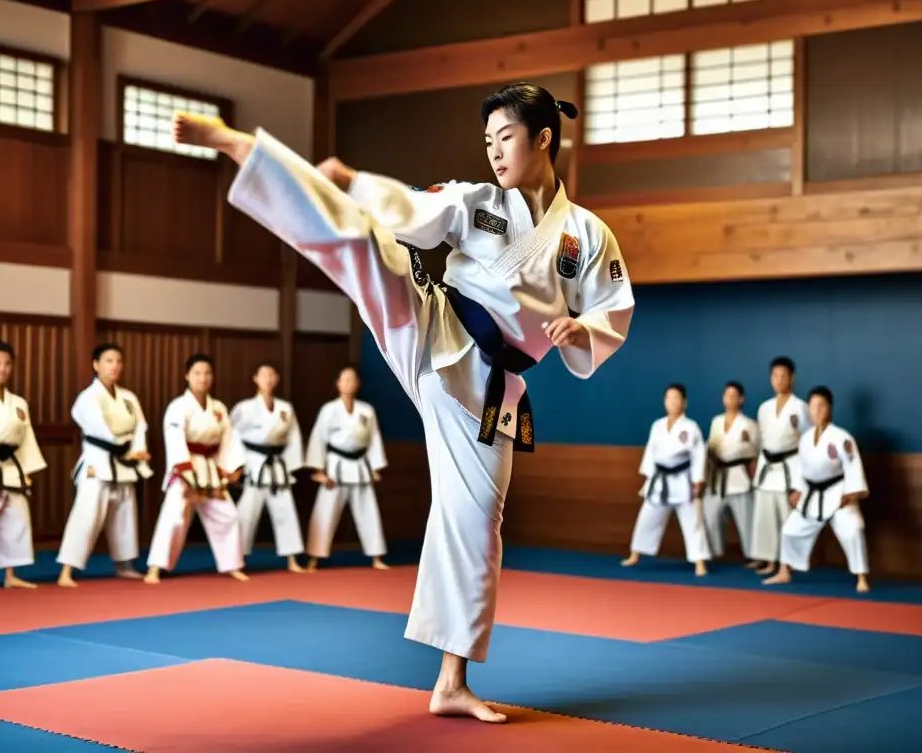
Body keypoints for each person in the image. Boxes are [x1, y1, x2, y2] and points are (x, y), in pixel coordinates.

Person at [171, 81, 634, 723]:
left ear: (543, 138)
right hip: (434, 325)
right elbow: (413, 209)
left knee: (475, 522)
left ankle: (451, 681)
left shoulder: (586, 235)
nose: (495, 152)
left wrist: (583, 330)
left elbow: (613, 310)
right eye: (488, 140)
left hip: (492, 386)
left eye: (506, 138)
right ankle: (244, 151)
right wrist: (358, 183)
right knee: (371, 247)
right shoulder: (478, 202)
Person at [144, 354, 248, 584]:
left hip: (210, 468)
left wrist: (230, 470)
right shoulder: (178, 407)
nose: (203, 378)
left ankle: (232, 564)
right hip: (187, 466)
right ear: (187, 376)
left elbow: (228, 440)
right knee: (174, 517)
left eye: (207, 373)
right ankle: (155, 566)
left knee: (228, 515)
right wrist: (185, 474)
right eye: (197, 373)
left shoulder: (218, 408)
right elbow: (175, 440)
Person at [56, 343, 152, 586]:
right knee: (86, 515)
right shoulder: (88, 397)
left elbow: (140, 426)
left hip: (125, 464)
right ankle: (66, 570)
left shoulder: (129, 397)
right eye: (108, 361)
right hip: (97, 462)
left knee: (125, 514)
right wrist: (126, 446)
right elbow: (103, 430)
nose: (114, 366)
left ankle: (124, 565)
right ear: (96, 365)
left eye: (118, 361)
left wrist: (138, 449)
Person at [764, 386, 871, 593]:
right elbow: (801, 470)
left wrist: (852, 492)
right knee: (789, 529)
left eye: (821, 406)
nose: (817, 411)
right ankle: (785, 570)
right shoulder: (805, 439)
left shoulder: (842, 437)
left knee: (854, 528)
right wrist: (796, 490)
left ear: (829, 408)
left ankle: (861, 576)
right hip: (812, 494)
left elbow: (852, 465)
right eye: (813, 407)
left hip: (838, 492)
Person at [306, 366, 389, 571]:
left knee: (369, 511)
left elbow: (374, 439)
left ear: (358, 384)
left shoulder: (366, 410)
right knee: (325, 512)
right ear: (338, 384)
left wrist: (374, 466)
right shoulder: (329, 409)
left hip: (361, 466)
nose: (349, 383)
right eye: (345, 379)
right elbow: (318, 438)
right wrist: (319, 470)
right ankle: (314, 557)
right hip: (335, 467)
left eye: (353, 379)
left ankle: (376, 557)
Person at [622, 384, 710, 576]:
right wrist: (648, 476)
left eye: (676, 398)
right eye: (669, 398)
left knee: (693, 522)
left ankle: (700, 562)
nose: (672, 402)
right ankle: (635, 554)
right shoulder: (658, 425)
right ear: (665, 402)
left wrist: (697, 481)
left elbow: (699, 455)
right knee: (646, 518)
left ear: (684, 402)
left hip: (683, 480)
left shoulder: (690, 427)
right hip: (660, 480)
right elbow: (651, 452)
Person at [229, 361, 306, 574]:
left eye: (272, 375)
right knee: (246, 512)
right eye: (263, 375)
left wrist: (291, 466)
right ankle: (237, 559)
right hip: (254, 464)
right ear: (255, 378)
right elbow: (232, 437)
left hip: (277, 467)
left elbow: (294, 438)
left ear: (277, 379)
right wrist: (237, 465)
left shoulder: (285, 408)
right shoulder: (244, 408)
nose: (268, 379)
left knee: (286, 511)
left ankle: (292, 559)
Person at [0, 341, 46, 589]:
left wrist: (27, 472)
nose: (3, 369)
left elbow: (26, 439)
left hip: (11, 467)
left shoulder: (19, 403)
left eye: (7, 363)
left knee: (15, 519)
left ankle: (10, 575)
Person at [750, 356, 812, 575]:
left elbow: (808, 443)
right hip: (768, 466)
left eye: (783, 375)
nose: (779, 380)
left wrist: (803, 482)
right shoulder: (764, 408)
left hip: (790, 467)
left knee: (788, 519)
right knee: (765, 518)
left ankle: (787, 564)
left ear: (793, 377)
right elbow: (760, 441)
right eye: (775, 375)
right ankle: (770, 561)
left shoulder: (801, 407)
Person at [703, 381, 760, 563]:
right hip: (717, 476)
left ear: (741, 399)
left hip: (739, 476)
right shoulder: (716, 421)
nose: (730, 399)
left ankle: (753, 555)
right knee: (709, 515)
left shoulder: (749, 424)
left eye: (734, 395)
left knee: (746, 519)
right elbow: (711, 447)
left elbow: (755, 452)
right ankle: (713, 551)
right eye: (727, 395)